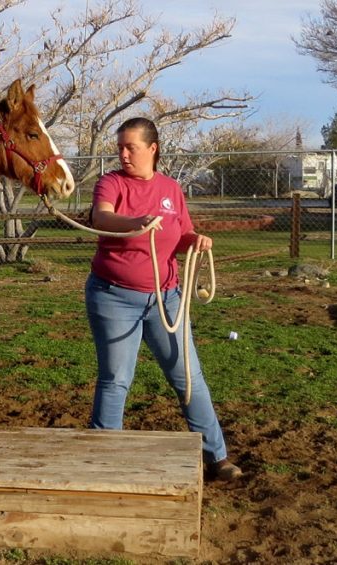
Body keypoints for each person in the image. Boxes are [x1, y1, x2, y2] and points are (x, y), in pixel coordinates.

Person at [85, 117, 242, 482]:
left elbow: (180, 234)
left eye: (131, 148)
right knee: (115, 378)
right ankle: (101, 457)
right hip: (113, 297)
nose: (123, 154)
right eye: (120, 147)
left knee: (188, 376)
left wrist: (196, 241)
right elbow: (101, 217)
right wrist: (137, 223)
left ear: (152, 149)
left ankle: (216, 456)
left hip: (165, 298)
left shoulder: (171, 188)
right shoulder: (111, 183)